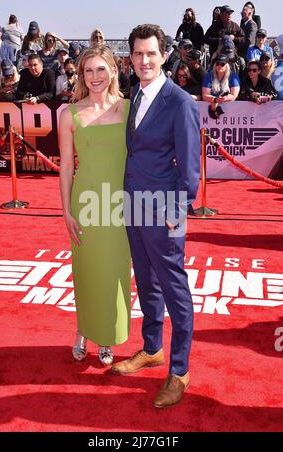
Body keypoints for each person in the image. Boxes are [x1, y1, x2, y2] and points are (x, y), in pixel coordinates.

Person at [110, 24, 201, 409]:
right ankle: (152, 348)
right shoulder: (136, 93)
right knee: (146, 281)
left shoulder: (180, 102)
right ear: (130, 58)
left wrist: (176, 210)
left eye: (151, 53)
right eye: (137, 54)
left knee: (174, 288)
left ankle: (179, 371)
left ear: (164, 55)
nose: (144, 60)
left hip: (166, 212)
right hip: (134, 206)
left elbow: (191, 168)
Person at [59, 45, 131, 366]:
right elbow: (64, 166)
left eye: (101, 69)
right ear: (81, 75)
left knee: (114, 272)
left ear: (114, 71)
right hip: (86, 203)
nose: (95, 77)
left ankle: (108, 336)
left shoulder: (129, 110)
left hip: (120, 205)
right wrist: (66, 211)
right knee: (86, 272)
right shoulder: (69, 115)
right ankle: (82, 330)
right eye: (88, 71)